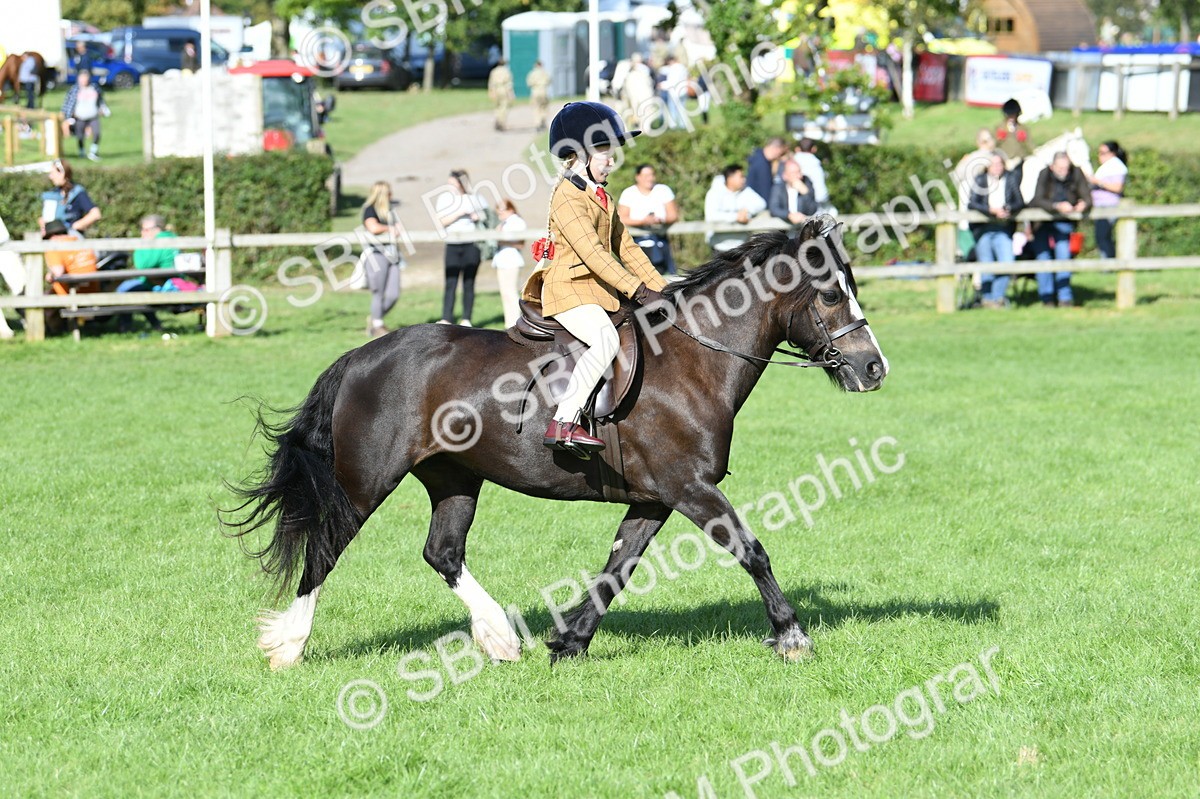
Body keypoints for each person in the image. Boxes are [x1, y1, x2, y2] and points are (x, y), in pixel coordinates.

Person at [521, 101, 668, 454]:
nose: (612, 160)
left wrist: (666, 290)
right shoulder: (567, 198)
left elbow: (627, 248)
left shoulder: (602, 196)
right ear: (582, 154)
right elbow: (594, 255)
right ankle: (564, 422)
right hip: (568, 291)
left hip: (598, 292)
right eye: (605, 151)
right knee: (605, 341)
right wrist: (638, 289)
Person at [1028, 152, 1091, 307]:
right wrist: (1057, 206)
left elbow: (1087, 196)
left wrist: (1084, 204)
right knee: (1043, 258)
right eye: (1060, 168)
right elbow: (1038, 199)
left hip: (1064, 222)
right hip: (1042, 223)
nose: (1064, 171)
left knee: (1064, 256)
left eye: (1066, 168)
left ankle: (1065, 298)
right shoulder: (1044, 174)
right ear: (1052, 166)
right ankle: (1047, 298)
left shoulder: (1076, 172)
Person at [968, 152, 1024, 308]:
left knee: (1007, 262)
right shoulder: (980, 180)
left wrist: (1008, 209)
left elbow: (1020, 201)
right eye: (993, 164)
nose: (997, 167)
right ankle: (987, 298)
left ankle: (997, 297)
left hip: (1003, 228)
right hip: (983, 229)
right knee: (986, 264)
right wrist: (991, 211)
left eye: (999, 164)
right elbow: (972, 203)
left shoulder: (1011, 178)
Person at [434, 169, 486, 326]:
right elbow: (441, 221)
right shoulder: (444, 199)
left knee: (469, 282)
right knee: (451, 281)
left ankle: (466, 319)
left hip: (472, 244)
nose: (450, 187)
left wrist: (476, 216)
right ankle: (447, 317)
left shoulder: (475, 198)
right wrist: (460, 213)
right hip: (452, 244)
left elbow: (485, 217)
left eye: (453, 183)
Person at [115, 215, 179, 333]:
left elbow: (141, 264)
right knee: (132, 287)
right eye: (142, 229)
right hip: (167, 281)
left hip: (165, 285)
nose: (143, 233)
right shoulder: (171, 238)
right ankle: (156, 326)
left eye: (146, 230)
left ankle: (125, 328)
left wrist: (141, 244)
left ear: (157, 229)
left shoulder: (159, 242)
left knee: (126, 289)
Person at [617, 163, 679, 275]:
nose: (650, 178)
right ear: (638, 177)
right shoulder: (629, 193)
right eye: (646, 175)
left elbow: (673, 215)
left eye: (652, 175)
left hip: (660, 242)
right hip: (636, 243)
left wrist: (660, 220)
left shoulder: (663, 190)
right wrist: (643, 221)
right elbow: (622, 218)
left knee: (663, 277)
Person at [360, 181, 403, 338]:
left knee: (393, 294)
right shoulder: (370, 210)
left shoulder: (390, 211)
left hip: (392, 254)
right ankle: (377, 325)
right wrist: (389, 229)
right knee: (378, 292)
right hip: (376, 255)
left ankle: (375, 317)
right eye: (389, 193)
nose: (392, 195)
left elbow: (399, 229)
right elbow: (373, 227)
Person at [704, 164, 767, 253]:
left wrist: (746, 211)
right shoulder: (714, 193)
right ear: (730, 178)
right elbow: (711, 216)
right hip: (719, 246)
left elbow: (761, 204)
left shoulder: (746, 190)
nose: (744, 179)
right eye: (741, 176)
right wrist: (736, 217)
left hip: (741, 247)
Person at [1089, 140, 1128, 259]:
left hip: (1108, 206)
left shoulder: (1116, 166)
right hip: (1101, 206)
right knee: (1103, 236)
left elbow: (1118, 187)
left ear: (1112, 153)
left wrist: (1098, 182)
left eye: (1103, 152)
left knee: (1102, 236)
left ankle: (1108, 266)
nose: (1100, 155)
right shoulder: (1108, 166)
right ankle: (1108, 265)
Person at [41, 159, 101, 236]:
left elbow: (95, 214)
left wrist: (77, 225)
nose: (50, 177)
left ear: (62, 173)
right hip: (53, 237)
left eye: (53, 173)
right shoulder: (53, 194)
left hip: (71, 237)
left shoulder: (77, 192)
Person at [492, 199, 527, 328]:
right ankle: (509, 322)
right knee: (505, 292)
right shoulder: (503, 223)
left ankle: (516, 321)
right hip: (501, 260)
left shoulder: (517, 222)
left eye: (502, 210)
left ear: (510, 209)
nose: (500, 213)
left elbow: (520, 243)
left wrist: (501, 241)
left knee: (511, 292)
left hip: (512, 260)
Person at [61, 70, 109, 161]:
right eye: (82, 79)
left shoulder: (94, 88)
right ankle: (81, 151)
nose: (84, 81)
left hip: (93, 116)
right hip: (80, 117)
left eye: (85, 79)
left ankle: (93, 152)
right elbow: (67, 104)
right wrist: (67, 117)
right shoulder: (74, 90)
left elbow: (101, 100)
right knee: (80, 136)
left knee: (97, 133)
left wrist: (103, 109)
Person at [768, 159, 817, 227]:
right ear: (785, 176)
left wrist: (805, 194)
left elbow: (812, 210)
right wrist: (789, 215)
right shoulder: (778, 188)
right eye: (794, 173)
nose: (799, 176)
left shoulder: (807, 184)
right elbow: (774, 209)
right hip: (784, 229)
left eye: (799, 172)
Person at [793, 138, 832, 214]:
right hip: (811, 209)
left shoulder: (790, 163)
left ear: (797, 149)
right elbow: (821, 194)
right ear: (814, 149)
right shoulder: (815, 165)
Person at [746, 137, 788, 206]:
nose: (780, 157)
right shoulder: (762, 164)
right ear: (777, 149)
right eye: (781, 153)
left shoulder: (756, 155)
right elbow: (765, 191)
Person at [996, 98, 1032, 173]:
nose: (1011, 118)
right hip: (1004, 160)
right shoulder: (1000, 127)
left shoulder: (1022, 128)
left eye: (1013, 115)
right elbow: (994, 144)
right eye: (1009, 115)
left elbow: (1029, 144)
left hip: (1018, 161)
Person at [623, 53, 656, 126]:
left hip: (642, 95)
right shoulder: (631, 71)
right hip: (637, 95)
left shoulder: (643, 69)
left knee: (643, 112)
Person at [487, 59, 514, 132]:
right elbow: (509, 83)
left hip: (496, 89)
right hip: (503, 89)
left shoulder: (494, 71)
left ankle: (497, 119)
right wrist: (510, 93)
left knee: (497, 106)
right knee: (504, 106)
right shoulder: (506, 71)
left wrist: (491, 91)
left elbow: (491, 82)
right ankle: (501, 122)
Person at [525, 61, 551, 132]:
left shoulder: (532, 73)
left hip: (535, 91)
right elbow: (549, 81)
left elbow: (529, 83)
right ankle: (543, 120)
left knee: (536, 108)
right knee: (544, 107)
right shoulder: (545, 73)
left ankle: (537, 123)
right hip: (543, 90)